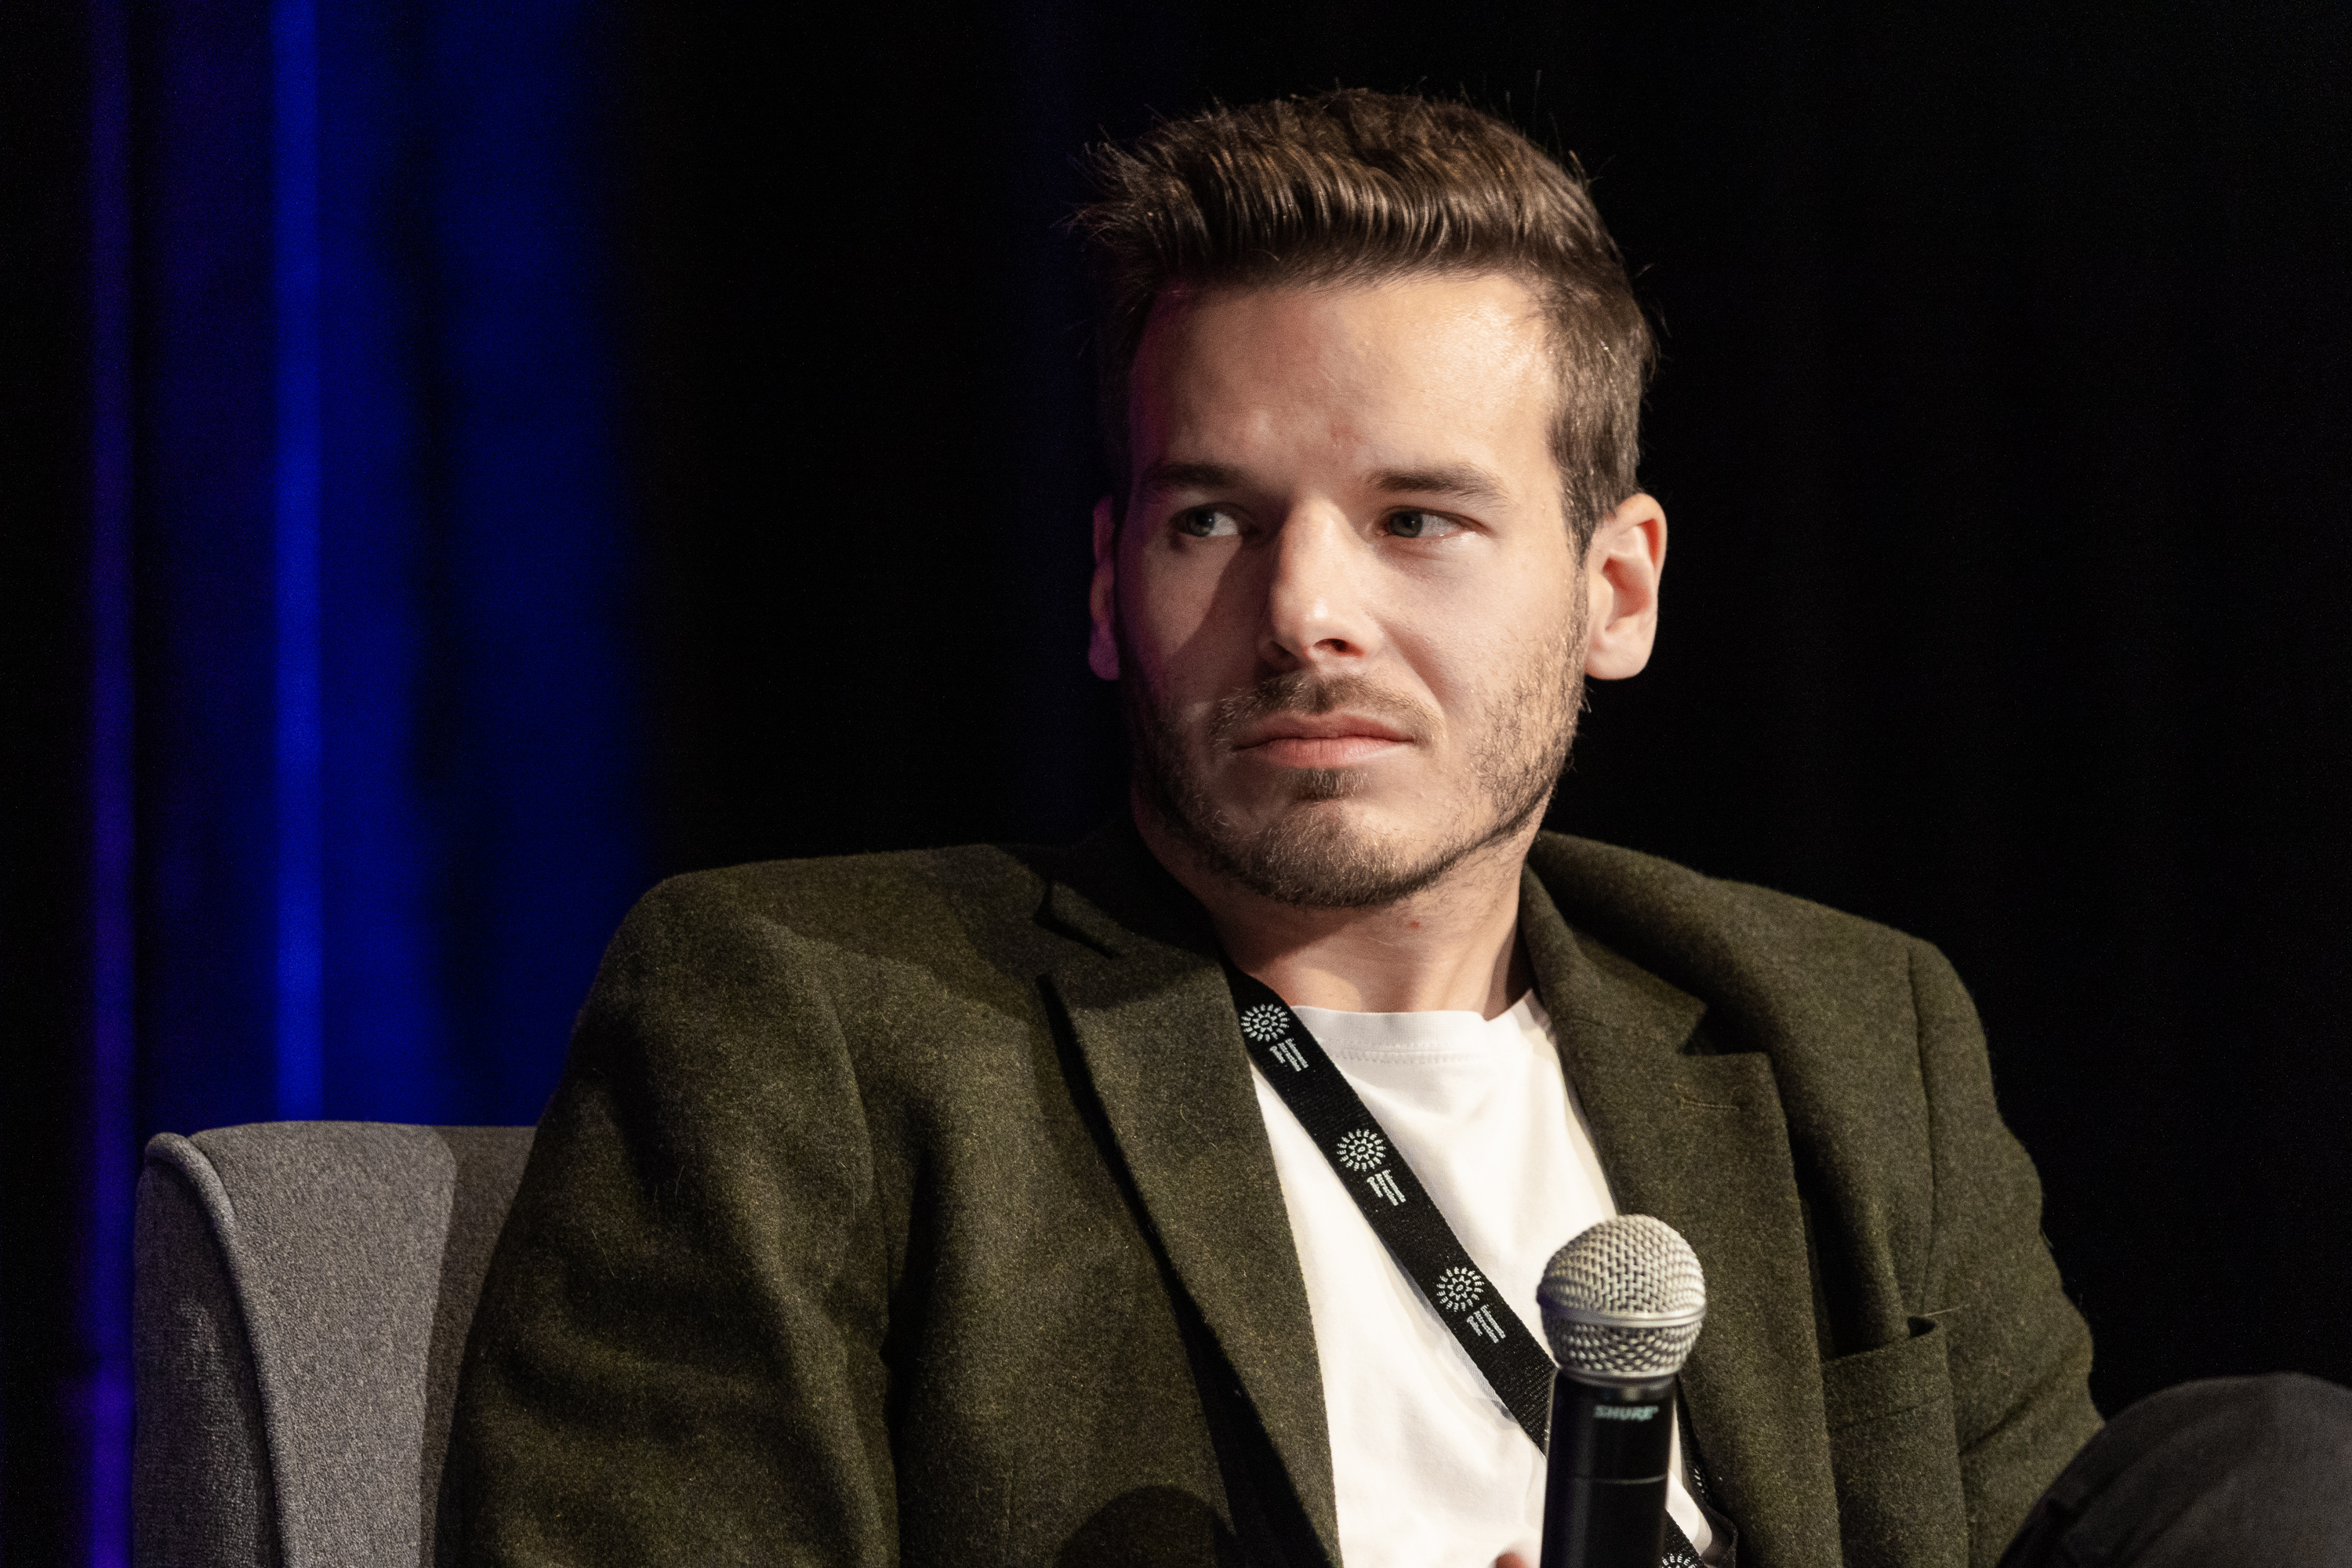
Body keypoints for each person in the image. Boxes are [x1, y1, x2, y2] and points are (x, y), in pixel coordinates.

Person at [448, 90, 2343, 1567]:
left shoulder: (1845, 1033)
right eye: (1213, 519)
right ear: (1107, 586)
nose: (1304, 612)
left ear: (1618, 586)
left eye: (1417, 519)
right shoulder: (809, 1023)